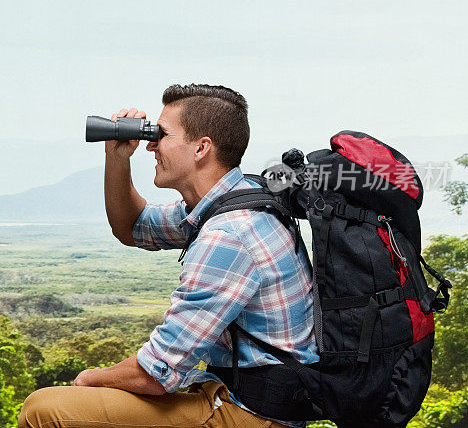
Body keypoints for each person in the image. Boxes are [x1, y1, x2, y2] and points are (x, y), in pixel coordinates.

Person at [18, 84, 319, 428]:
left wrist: (88, 379)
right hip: (240, 397)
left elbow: (157, 373)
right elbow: (131, 226)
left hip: (251, 416)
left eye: (161, 135)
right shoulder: (239, 197)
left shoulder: (228, 234)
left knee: (44, 410)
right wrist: (116, 158)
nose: (151, 145)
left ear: (201, 148)